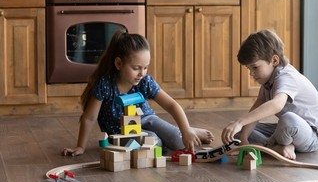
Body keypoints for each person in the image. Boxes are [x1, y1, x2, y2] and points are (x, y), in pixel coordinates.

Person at [63, 30, 214, 156]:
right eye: (136, 68)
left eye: (146, 67)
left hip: (147, 119)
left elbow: (171, 105)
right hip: (119, 132)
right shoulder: (105, 85)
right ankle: (182, 132)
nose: (142, 73)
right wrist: (80, 147)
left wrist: (185, 129)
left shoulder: (145, 81)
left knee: (178, 141)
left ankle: (189, 130)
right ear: (119, 64)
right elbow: (89, 118)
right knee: (154, 144)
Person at [221, 29, 318, 160]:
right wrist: (244, 138)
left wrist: (240, 121)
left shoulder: (287, 76)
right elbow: (256, 110)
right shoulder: (268, 81)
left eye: (255, 67)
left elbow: (277, 105)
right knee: (238, 134)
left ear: (274, 60)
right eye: (249, 69)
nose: (251, 73)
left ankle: (275, 146)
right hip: (286, 131)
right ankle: (277, 147)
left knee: (288, 119)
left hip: (310, 135)